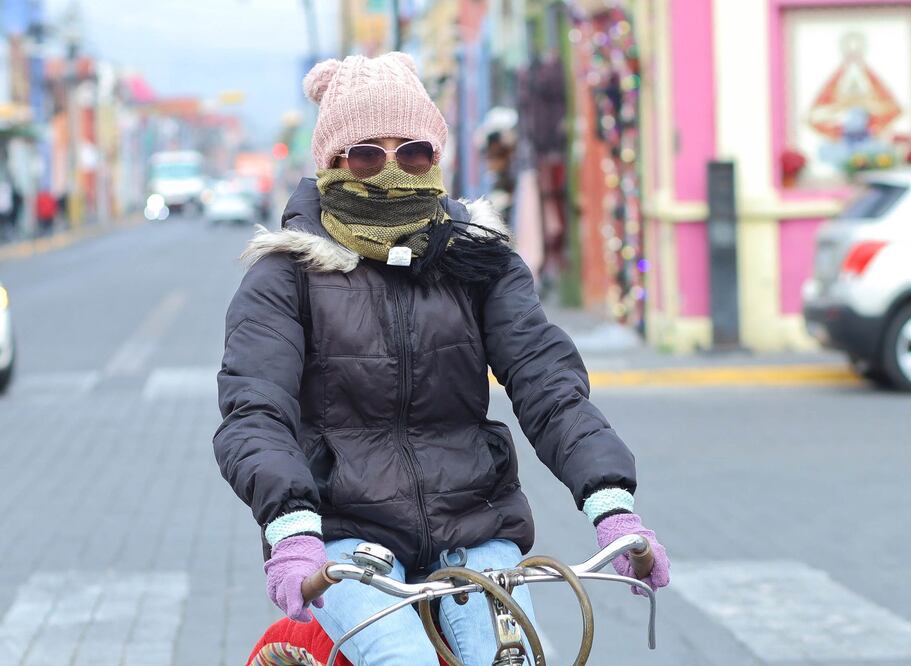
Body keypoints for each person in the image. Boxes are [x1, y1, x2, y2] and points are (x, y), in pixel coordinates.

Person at [214, 52, 669, 666]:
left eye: (415, 153)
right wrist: (292, 530)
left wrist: (612, 504)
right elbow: (254, 410)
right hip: (349, 536)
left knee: (513, 658)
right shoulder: (284, 275)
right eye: (369, 154)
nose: (394, 170)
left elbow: (546, 383)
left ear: (437, 158)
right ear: (332, 162)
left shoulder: (479, 260)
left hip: (476, 526)